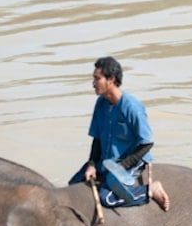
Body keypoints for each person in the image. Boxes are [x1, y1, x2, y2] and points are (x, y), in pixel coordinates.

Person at [69, 56, 170, 211]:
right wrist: (91, 164)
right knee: (73, 184)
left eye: (97, 79)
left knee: (107, 199)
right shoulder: (101, 103)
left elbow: (147, 143)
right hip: (106, 159)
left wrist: (123, 166)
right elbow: (97, 138)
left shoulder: (132, 107)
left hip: (130, 160)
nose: (93, 83)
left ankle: (150, 190)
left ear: (111, 80)